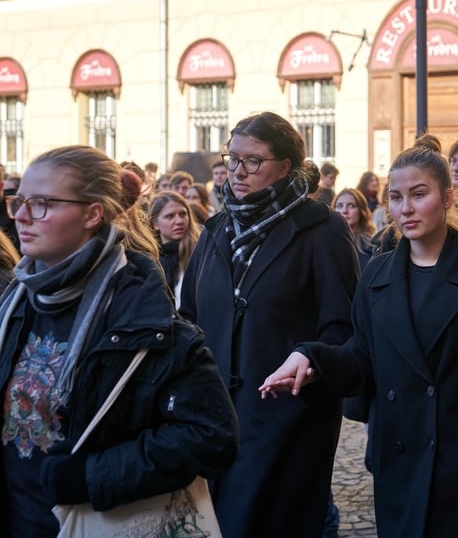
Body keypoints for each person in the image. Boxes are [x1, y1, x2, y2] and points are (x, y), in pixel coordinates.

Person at [260, 134, 458, 538]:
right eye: (396, 198)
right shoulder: (377, 275)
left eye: (419, 194)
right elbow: (363, 356)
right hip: (398, 456)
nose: (406, 209)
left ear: (448, 198)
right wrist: (312, 359)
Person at [0, 145, 238, 536]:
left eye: (42, 203)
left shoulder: (145, 319)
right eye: (20, 201)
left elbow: (212, 436)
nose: (22, 216)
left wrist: (95, 476)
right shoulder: (14, 301)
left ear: (93, 214)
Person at [179, 112, 358, 538]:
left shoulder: (322, 229)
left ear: (286, 167)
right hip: (214, 421)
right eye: (232, 158)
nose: (236, 172)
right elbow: (188, 319)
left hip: (287, 425)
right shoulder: (216, 229)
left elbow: (347, 331)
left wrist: (310, 356)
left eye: (252, 161)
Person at [149, 191, 200, 309]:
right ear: (155, 224)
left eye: (183, 214)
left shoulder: (200, 252)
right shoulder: (149, 259)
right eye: (170, 216)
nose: (179, 221)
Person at [333, 187, 376, 272]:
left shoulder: (372, 247)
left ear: (361, 211)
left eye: (351, 205)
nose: (344, 211)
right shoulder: (325, 243)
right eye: (339, 206)